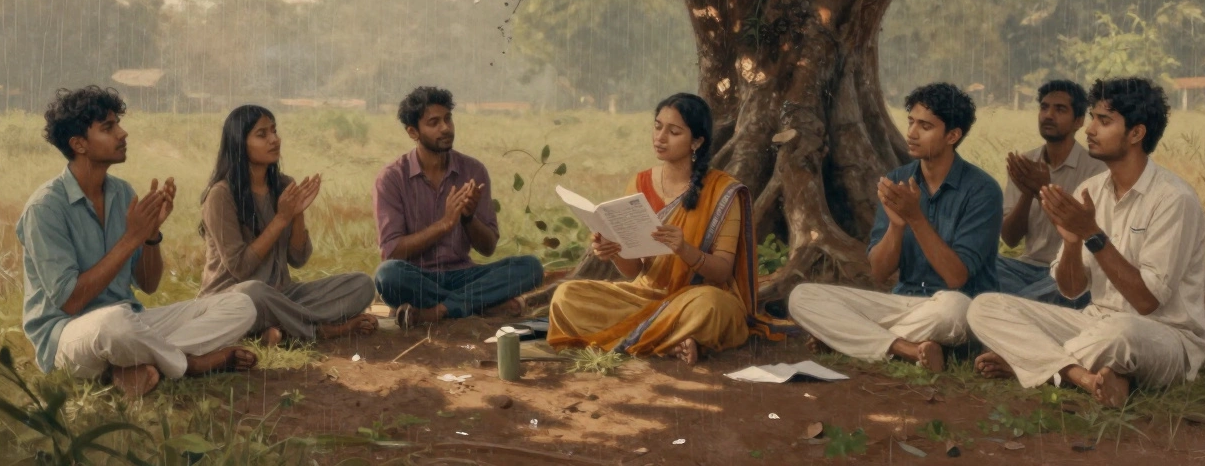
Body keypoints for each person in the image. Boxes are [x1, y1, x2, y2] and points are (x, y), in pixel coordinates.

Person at [968, 78, 1205, 407]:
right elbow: (1070, 290)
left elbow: (1147, 302)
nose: (1090, 129)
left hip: (1160, 334)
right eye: (1093, 118)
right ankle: (1082, 377)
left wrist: (1092, 234)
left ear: (1136, 133)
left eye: (1104, 121)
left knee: (1121, 334)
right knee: (985, 308)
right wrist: (1070, 242)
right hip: (1092, 323)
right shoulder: (1091, 190)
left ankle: (1028, 362)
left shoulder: (1174, 199)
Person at [17, 87, 258, 398]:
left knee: (240, 305)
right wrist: (132, 238)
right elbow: (71, 301)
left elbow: (148, 284)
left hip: (131, 322)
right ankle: (190, 364)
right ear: (78, 144)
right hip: (69, 335)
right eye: (108, 128)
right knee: (114, 324)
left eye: (117, 124)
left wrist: (150, 235)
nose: (122, 133)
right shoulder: (45, 208)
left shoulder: (122, 193)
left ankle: (136, 365)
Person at [547, 93, 782, 365]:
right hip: (643, 298)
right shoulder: (640, 183)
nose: (660, 138)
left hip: (696, 298)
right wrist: (614, 251)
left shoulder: (722, 191)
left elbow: (722, 271)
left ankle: (654, 338)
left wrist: (684, 250)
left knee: (713, 308)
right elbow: (634, 271)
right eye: (657, 127)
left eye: (673, 132)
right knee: (566, 297)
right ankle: (670, 341)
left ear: (697, 141)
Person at [787, 83, 1002, 372]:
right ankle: (907, 349)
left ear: (952, 135)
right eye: (911, 121)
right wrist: (897, 227)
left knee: (955, 310)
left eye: (925, 126)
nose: (912, 133)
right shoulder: (898, 180)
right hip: (903, 303)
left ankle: (848, 337)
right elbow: (879, 272)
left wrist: (915, 218)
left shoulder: (982, 190)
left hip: (955, 308)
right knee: (803, 297)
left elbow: (956, 277)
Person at [198, 105, 377, 344]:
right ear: (239, 144)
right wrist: (281, 219)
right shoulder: (221, 195)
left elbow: (298, 259)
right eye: (262, 134)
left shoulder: (283, 186)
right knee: (253, 293)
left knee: (362, 285)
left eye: (274, 131)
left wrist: (297, 214)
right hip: (233, 298)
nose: (274, 139)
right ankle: (320, 330)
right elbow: (240, 268)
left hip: (282, 295)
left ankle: (275, 330)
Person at [373, 86, 544, 329]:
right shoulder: (392, 178)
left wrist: (468, 219)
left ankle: (439, 311)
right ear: (413, 132)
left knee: (530, 267)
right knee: (387, 276)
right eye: (434, 122)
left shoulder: (473, 170)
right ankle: (481, 305)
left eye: (448, 119)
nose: (445, 128)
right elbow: (392, 252)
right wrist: (444, 225)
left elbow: (488, 248)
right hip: (417, 278)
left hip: (464, 276)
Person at [998, 80, 1105, 306]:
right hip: (1025, 267)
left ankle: (1012, 306)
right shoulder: (1025, 164)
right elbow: (1010, 238)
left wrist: (1042, 191)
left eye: (1060, 109)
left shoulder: (1096, 170)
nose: (1048, 115)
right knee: (983, 266)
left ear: (1078, 121)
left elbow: (1088, 237)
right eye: (1044, 107)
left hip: (1067, 272)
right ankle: (1020, 305)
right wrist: (1027, 193)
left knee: (1074, 289)